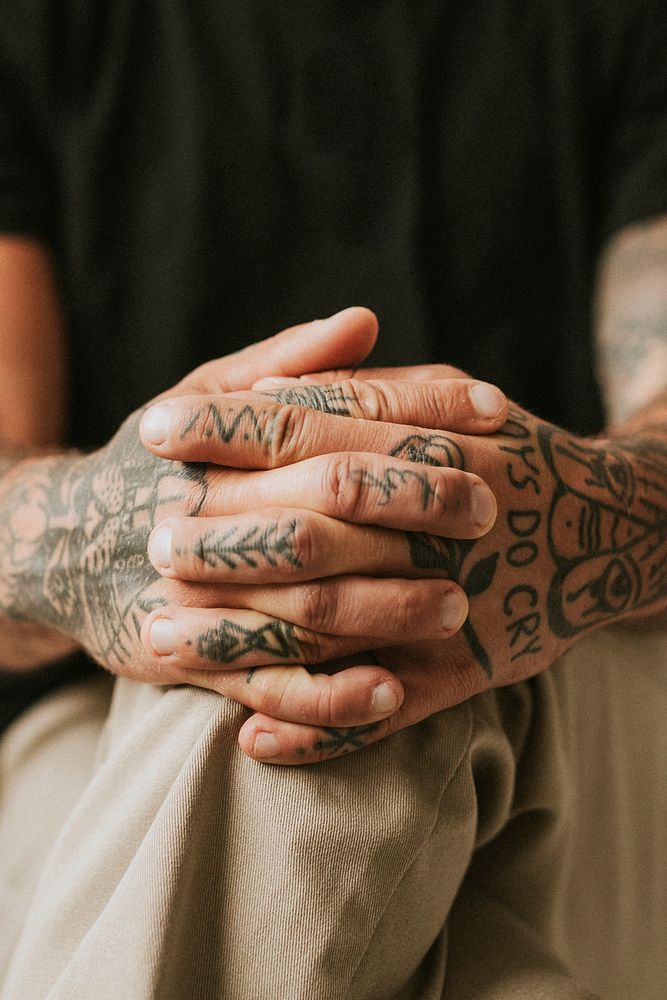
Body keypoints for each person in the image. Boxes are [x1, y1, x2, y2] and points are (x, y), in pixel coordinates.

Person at [0, 1, 665, 997]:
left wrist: (557, 508)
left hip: (587, 697)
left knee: (386, 639)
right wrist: (98, 530)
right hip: (94, 713)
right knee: (297, 671)